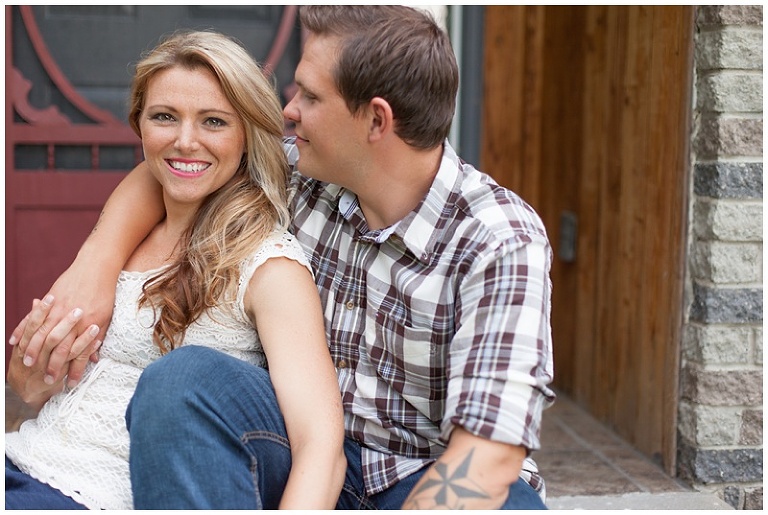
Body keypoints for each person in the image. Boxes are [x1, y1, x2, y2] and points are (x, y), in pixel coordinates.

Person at [11, 6, 555, 510]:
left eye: (311, 97)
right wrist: (95, 264)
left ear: (376, 120)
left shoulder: (497, 239)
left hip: (424, 474)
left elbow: (488, 454)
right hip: (290, 448)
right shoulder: (301, 173)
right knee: (183, 381)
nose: (289, 111)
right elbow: (173, 166)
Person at [5, 29, 346, 510]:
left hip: (100, 495)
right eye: (164, 117)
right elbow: (30, 398)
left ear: (247, 135)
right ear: (139, 124)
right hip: (23, 462)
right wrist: (32, 381)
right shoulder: (127, 237)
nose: (185, 142)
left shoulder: (268, 265)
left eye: (214, 122)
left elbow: (320, 446)